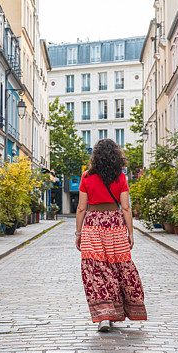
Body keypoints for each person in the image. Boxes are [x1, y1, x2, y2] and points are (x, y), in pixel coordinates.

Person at [75, 138, 147, 332]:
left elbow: (81, 208)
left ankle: (104, 316)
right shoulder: (120, 176)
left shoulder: (86, 177)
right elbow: (126, 207)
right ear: (116, 156)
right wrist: (130, 233)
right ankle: (114, 311)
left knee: (95, 271)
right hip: (115, 226)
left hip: (92, 226)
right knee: (117, 269)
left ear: (95, 156)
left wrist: (78, 233)